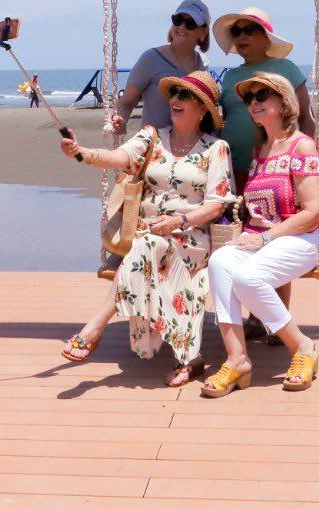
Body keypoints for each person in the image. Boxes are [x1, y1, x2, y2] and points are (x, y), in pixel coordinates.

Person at [58, 71, 236, 386]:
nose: (176, 100)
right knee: (148, 244)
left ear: (203, 109)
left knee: (148, 245)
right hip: (148, 231)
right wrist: (83, 154)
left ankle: (94, 328)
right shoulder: (153, 137)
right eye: (175, 94)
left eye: (186, 96)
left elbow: (216, 204)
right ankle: (190, 358)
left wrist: (178, 221)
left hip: (190, 236)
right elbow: (119, 157)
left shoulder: (215, 148)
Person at [201, 71, 319, 397]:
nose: (253, 103)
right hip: (259, 240)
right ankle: (237, 359)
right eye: (249, 99)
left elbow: (313, 212)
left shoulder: (302, 146)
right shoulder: (261, 150)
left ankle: (302, 347)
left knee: (247, 278)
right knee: (220, 261)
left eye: (261, 97)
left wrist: (267, 237)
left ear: (283, 103)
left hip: (299, 240)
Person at [212, 7, 315, 185]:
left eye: (249, 31)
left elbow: (307, 118)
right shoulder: (230, 76)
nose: (241, 37)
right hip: (231, 167)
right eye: (236, 32)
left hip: (276, 167)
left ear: (265, 36)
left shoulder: (286, 68)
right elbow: (225, 120)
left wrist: (301, 161)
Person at [106, 0, 210, 136]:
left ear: (203, 32)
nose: (182, 27)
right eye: (178, 20)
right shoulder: (151, 58)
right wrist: (121, 121)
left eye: (190, 23)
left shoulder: (203, 63)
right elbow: (127, 101)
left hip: (191, 151)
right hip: (153, 149)